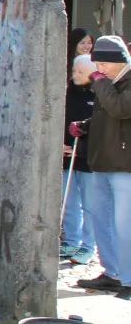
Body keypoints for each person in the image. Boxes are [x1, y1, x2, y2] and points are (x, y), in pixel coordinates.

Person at [73, 35, 131, 293]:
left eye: (105, 63)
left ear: (121, 61)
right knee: (101, 220)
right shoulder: (107, 83)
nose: (100, 69)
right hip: (102, 161)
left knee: (123, 224)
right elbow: (107, 116)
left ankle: (128, 279)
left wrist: (99, 82)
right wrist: (85, 126)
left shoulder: (117, 82)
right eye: (98, 64)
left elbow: (119, 108)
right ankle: (112, 272)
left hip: (124, 164)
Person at [61, 54, 97, 267]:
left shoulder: (98, 95)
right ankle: (71, 241)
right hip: (67, 157)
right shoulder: (67, 93)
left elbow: (99, 129)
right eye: (74, 70)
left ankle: (88, 245)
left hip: (88, 160)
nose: (75, 75)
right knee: (69, 201)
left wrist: (81, 150)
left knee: (90, 206)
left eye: (80, 72)